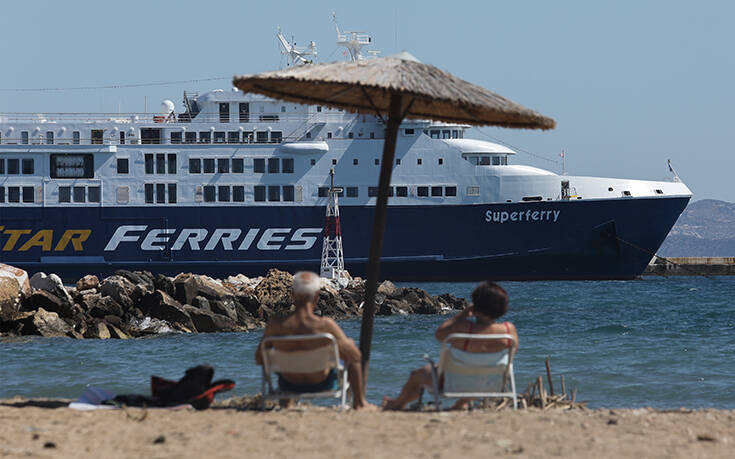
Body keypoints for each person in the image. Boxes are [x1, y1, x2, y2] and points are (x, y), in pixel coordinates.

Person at [382, 281, 518, 411]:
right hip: (492, 383)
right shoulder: (508, 330)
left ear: (475, 306)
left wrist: (461, 315)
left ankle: (397, 404)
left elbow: (439, 334)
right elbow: (512, 355)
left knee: (417, 375)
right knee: (477, 372)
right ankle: (461, 404)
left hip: (455, 384)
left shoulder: (463, 328)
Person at [255, 271, 375, 411]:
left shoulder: (275, 326)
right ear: (317, 296)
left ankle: (287, 404)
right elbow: (355, 356)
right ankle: (359, 403)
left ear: (293, 294)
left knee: (291, 359)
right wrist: (346, 345)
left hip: (288, 384)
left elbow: (259, 358)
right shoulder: (325, 326)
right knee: (352, 351)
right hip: (323, 383)